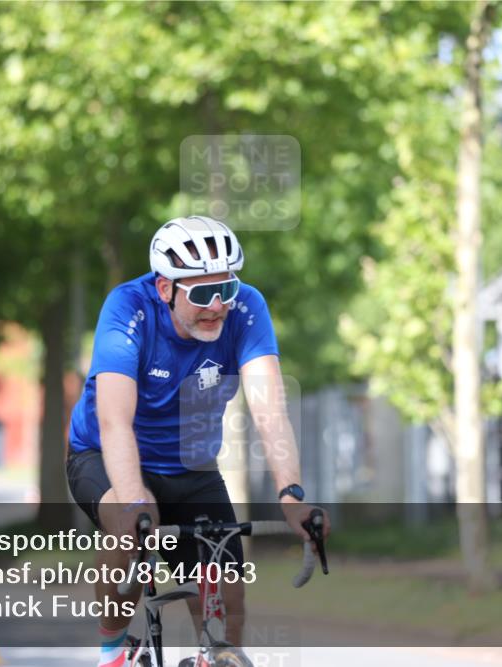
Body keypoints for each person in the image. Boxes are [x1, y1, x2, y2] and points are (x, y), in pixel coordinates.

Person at [66, 215, 330, 667]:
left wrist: (291, 494)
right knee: (130, 521)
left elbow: (269, 408)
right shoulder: (127, 307)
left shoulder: (246, 308)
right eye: (203, 294)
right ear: (165, 288)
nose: (218, 306)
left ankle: (216, 656)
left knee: (228, 604)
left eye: (225, 290)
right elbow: (114, 421)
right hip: (105, 454)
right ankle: (112, 648)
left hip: (192, 466)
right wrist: (133, 504)